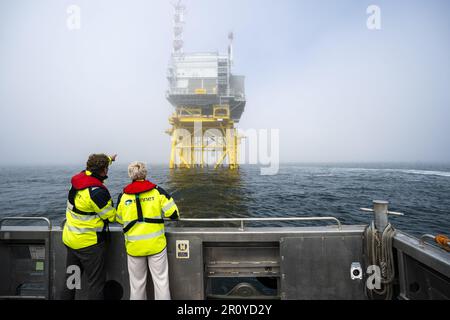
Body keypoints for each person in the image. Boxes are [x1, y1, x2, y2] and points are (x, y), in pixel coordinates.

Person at [116, 161, 179, 300]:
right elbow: (173, 214)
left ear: (130, 175)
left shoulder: (123, 196)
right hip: (156, 245)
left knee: (137, 285)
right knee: (161, 281)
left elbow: (119, 219)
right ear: (145, 173)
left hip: (134, 247)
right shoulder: (157, 191)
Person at [62, 153, 117, 300]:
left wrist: (109, 160)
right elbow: (110, 216)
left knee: (71, 282)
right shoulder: (97, 192)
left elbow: (93, 169)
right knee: (96, 284)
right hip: (90, 245)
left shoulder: (78, 180)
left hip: (71, 241)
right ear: (104, 170)